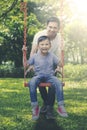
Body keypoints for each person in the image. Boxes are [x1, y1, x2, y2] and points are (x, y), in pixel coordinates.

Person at [23, 36, 68, 120]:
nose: (44, 46)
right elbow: (26, 65)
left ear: (50, 46)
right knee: (32, 83)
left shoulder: (52, 56)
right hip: (38, 76)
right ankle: (35, 107)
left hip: (50, 76)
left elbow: (61, 64)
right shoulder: (35, 56)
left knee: (58, 83)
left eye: (46, 44)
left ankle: (60, 106)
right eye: (42, 44)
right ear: (38, 46)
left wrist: (62, 52)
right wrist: (24, 53)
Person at [30, 17, 63, 117]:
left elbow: (60, 54)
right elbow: (33, 51)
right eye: (50, 27)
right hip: (40, 62)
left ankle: (49, 108)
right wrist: (32, 64)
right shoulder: (39, 35)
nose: (52, 30)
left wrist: (59, 67)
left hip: (52, 61)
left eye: (55, 28)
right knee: (40, 84)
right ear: (46, 26)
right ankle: (47, 104)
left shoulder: (60, 38)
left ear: (58, 28)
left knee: (52, 85)